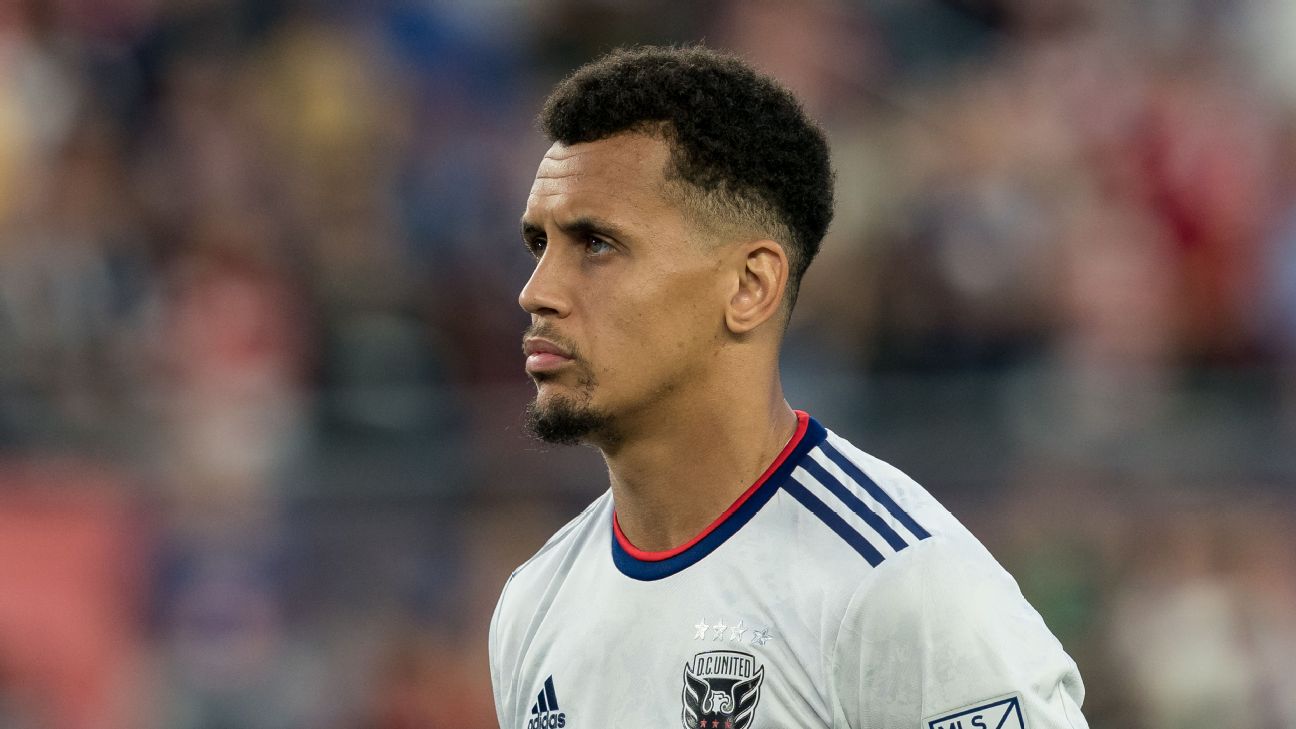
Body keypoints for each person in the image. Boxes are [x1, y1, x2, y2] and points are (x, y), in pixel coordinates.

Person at [490, 45, 1088, 729]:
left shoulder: (899, 588)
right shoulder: (534, 603)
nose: (536, 292)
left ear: (750, 286)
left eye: (596, 244)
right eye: (540, 245)